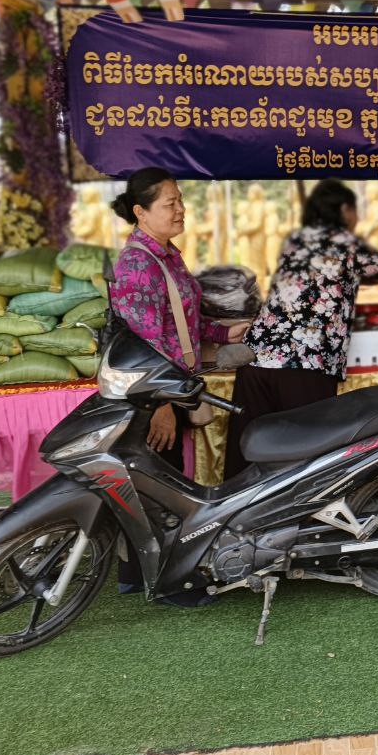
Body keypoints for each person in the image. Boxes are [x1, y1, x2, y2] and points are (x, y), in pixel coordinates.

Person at [111, 168, 249, 603]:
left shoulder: (167, 255)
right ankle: (168, 583)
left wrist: (224, 332)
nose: (180, 209)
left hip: (170, 386)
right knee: (160, 492)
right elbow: (143, 345)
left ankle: (134, 574)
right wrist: (163, 406)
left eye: (180, 200)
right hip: (153, 395)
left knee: (157, 483)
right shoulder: (137, 265)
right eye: (170, 203)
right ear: (141, 212)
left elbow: (182, 321)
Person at [224, 179, 378, 479]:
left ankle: (239, 507)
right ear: (345, 209)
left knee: (248, 452)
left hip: (257, 358)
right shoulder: (346, 244)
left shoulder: (296, 241)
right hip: (303, 363)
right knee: (307, 460)